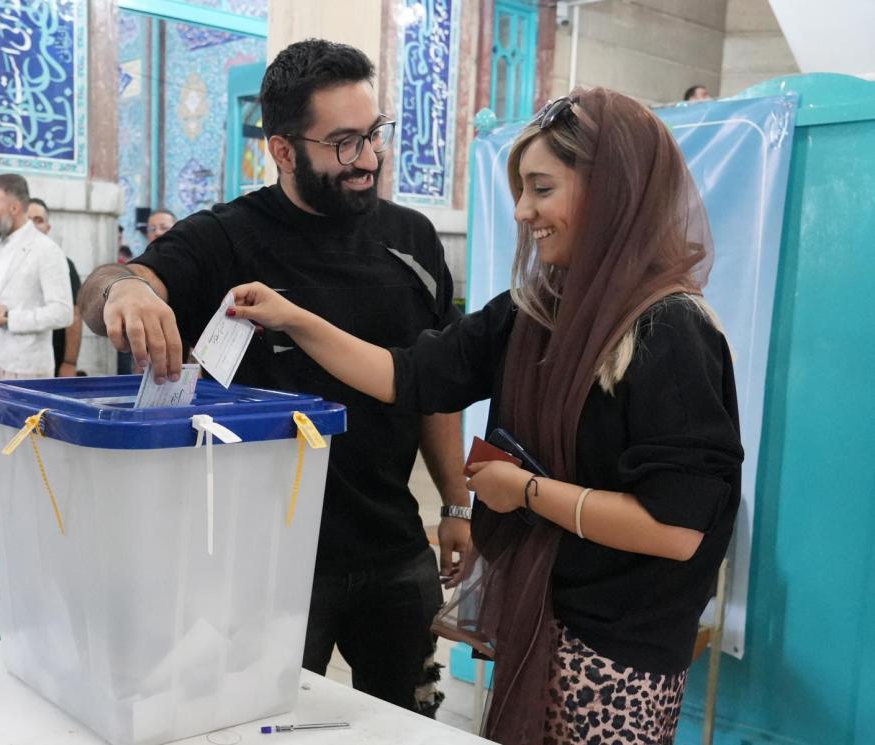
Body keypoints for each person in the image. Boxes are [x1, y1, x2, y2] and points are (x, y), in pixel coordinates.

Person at [227, 87, 744, 744]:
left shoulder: (668, 333)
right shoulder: (534, 313)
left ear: (612, 192)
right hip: (541, 621)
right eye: (520, 190)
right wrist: (295, 319)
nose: (523, 211)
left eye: (542, 188)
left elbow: (675, 529)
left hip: (620, 649)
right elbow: (407, 373)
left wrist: (524, 491)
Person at [79, 39, 470, 716]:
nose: (369, 159)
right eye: (345, 143)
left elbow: (430, 385)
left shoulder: (414, 239)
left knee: (408, 725)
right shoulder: (226, 238)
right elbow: (106, 286)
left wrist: (456, 505)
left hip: (395, 548)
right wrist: (126, 294)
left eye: (374, 134)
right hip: (267, 562)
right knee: (259, 721)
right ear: (284, 151)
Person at [0, 175, 74, 380]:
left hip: (27, 367)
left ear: (14, 208)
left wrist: (8, 318)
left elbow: (63, 313)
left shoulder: (46, 250)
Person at [27, 197, 84, 377]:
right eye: (27, 221)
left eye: (39, 220)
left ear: (47, 228)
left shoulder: (62, 265)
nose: (33, 227)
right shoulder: (4, 266)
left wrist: (69, 362)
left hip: (53, 362)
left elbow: (75, 315)